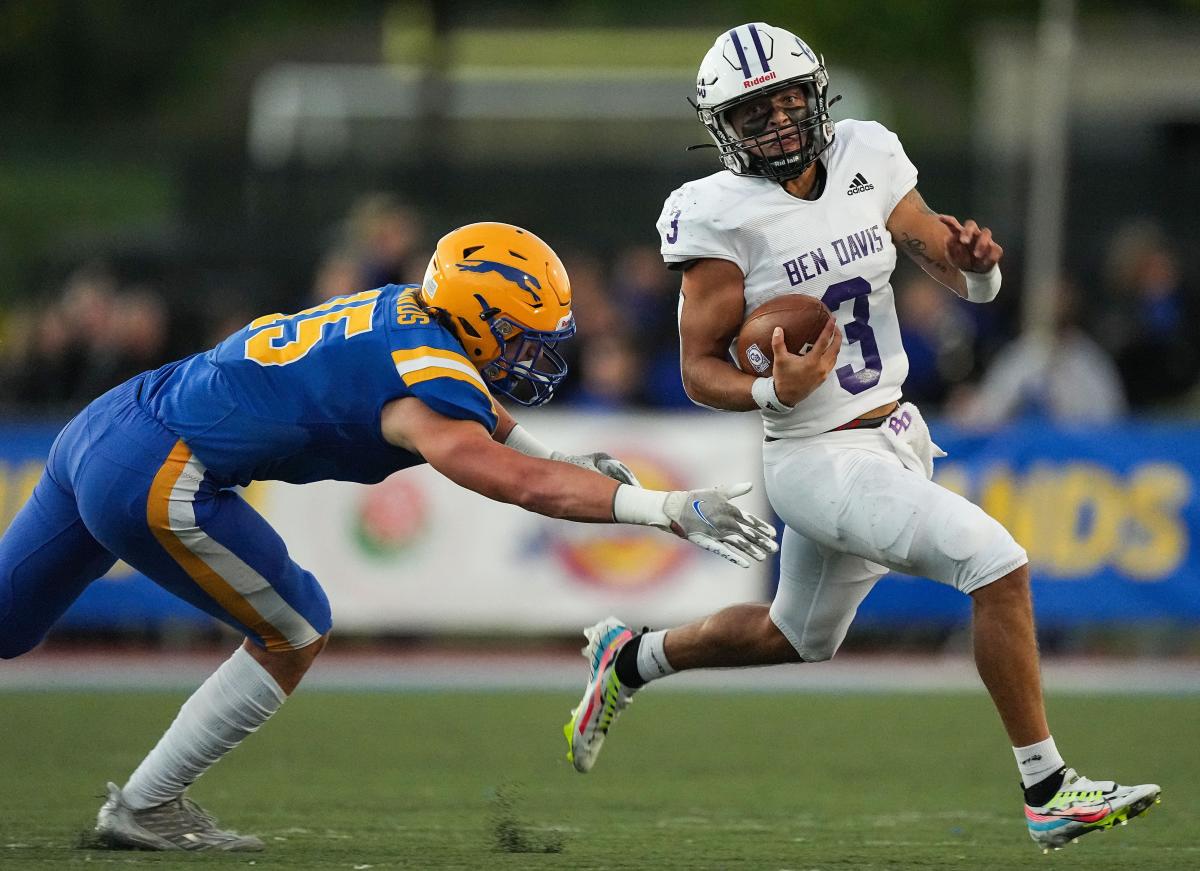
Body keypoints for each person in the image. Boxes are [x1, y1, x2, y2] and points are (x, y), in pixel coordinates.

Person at [563, 24, 1160, 853]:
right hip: (813, 454)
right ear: (719, 127)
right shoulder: (715, 214)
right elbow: (700, 369)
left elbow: (960, 275)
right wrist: (774, 387)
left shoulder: (868, 154)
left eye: (783, 100)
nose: (774, 121)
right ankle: (1048, 787)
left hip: (894, 432)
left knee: (797, 635)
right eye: (751, 110)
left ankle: (630, 657)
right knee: (998, 564)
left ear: (816, 96)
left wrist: (978, 265)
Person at [0, 222, 778, 852]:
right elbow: (509, 479)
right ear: (477, 317)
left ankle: (147, 805)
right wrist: (665, 508)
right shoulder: (425, 380)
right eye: (520, 332)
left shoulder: (409, 304)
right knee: (296, 625)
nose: (533, 352)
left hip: (102, 425)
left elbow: (485, 412)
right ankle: (146, 806)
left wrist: (559, 453)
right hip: (159, 470)